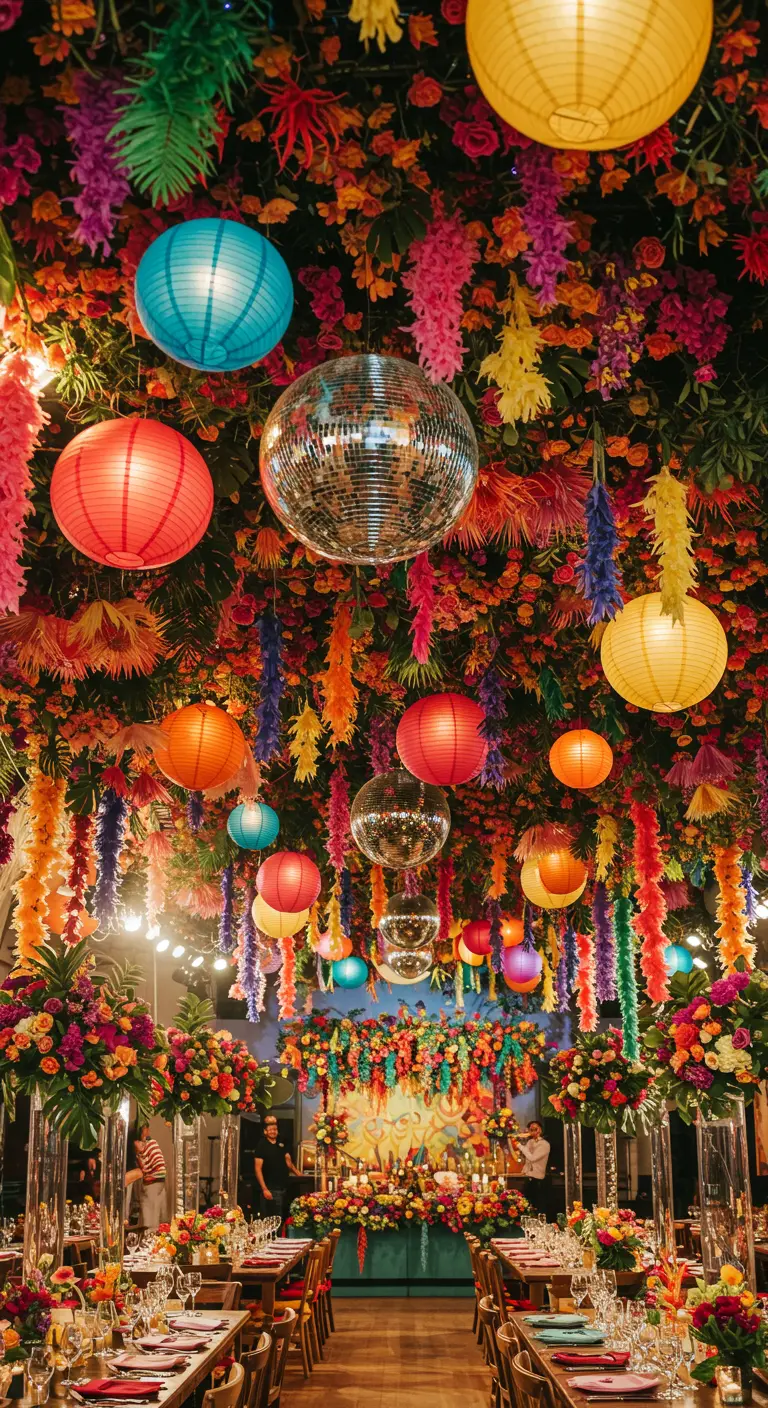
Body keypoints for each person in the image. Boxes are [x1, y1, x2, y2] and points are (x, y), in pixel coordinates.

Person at [254, 1115, 300, 1221]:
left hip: (284, 1187)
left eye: (275, 1129)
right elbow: (258, 1169)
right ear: (265, 1132)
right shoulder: (261, 1145)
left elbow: (288, 1163)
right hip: (270, 1189)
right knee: (271, 1220)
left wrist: (299, 1175)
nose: (273, 1132)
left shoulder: (281, 1143)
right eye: (270, 1130)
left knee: (282, 1218)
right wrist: (265, 1189)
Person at [132, 1123, 167, 1228]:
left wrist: (138, 1152)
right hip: (154, 1181)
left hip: (154, 1181)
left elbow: (153, 1166)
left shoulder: (151, 1144)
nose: (148, 1131)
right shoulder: (145, 1145)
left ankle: (149, 1237)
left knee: (150, 1215)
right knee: (150, 1213)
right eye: (146, 1129)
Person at [520, 1119, 550, 1213]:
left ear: (540, 1130)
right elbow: (527, 1159)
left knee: (538, 1207)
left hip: (538, 1180)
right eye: (530, 1129)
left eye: (535, 1128)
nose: (532, 1131)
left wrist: (520, 1146)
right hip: (528, 1178)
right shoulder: (530, 1142)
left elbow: (532, 1158)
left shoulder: (544, 1144)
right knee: (526, 1206)